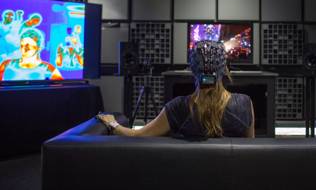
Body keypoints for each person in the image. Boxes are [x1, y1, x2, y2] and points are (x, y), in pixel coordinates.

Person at [97, 40, 255, 138]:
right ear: (225, 70)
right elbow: (250, 150)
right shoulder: (245, 104)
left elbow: (138, 135)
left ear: (192, 70)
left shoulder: (177, 107)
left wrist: (113, 124)